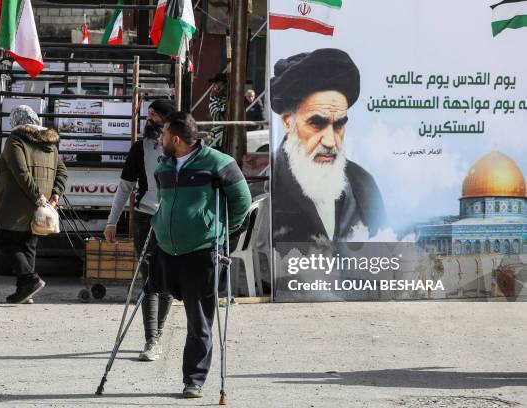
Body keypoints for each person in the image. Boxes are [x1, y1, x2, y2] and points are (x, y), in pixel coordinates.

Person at [151, 112, 251, 398]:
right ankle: (151, 340)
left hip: (202, 253)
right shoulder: (164, 166)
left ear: (177, 139)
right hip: (166, 250)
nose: (162, 138)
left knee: (198, 319)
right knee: (150, 293)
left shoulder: (219, 163)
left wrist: (219, 230)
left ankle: (193, 379)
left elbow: (242, 200)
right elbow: (163, 199)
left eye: (165, 134)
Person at [270, 48, 386, 244]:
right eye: (317, 123)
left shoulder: (364, 184)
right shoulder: (268, 182)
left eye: (339, 124)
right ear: (288, 122)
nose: (331, 142)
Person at [103, 99, 176, 361]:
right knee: (149, 278)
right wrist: (112, 222)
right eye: (148, 115)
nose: (149, 120)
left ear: (169, 120)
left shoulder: (181, 147)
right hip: (146, 217)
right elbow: (124, 187)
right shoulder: (139, 148)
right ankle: (151, 339)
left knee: (169, 279)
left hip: (175, 219)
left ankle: (158, 329)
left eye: (155, 116)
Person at [0, 105, 68, 304]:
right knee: (28, 244)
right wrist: (55, 194)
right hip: (40, 205)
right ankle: (25, 291)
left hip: (15, 203)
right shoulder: (50, 144)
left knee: (5, 239)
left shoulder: (15, 141)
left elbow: (20, 172)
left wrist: (37, 196)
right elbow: (62, 172)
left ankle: (29, 280)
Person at [208, 72, 227, 146]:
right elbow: (216, 116)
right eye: (214, 84)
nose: (215, 87)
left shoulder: (227, 99)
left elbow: (218, 117)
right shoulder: (214, 98)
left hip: (222, 138)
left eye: (217, 83)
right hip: (216, 137)